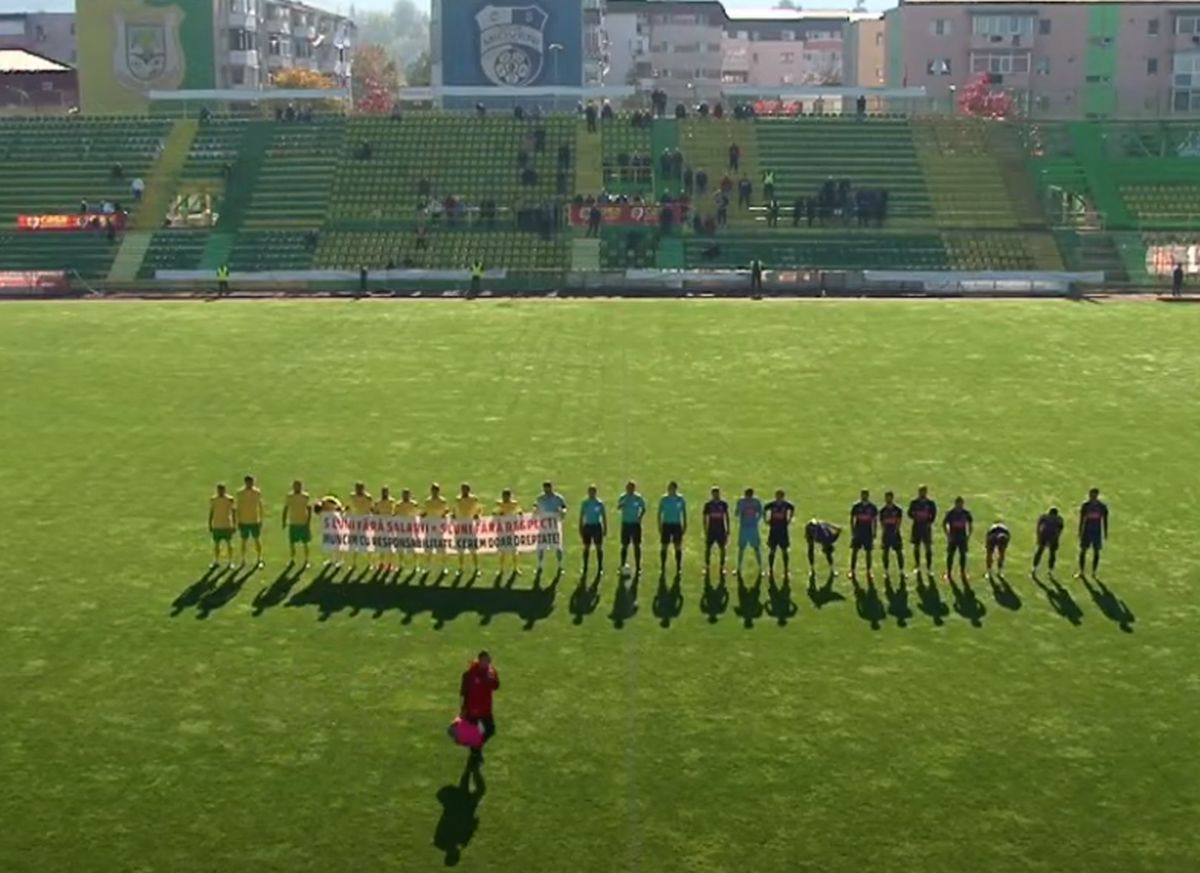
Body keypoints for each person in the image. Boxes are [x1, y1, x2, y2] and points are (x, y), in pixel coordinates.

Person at [460, 651, 500, 764]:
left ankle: (476, 747)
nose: (488, 663)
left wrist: (492, 679)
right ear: (479, 660)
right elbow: (464, 692)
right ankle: (475, 751)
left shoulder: (491, 672)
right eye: (485, 660)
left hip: (485, 708)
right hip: (472, 709)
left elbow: (496, 686)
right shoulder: (470, 674)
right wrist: (463, 708)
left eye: (489, 661)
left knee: (490, 730)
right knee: (473, 733)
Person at [534, 480, 568, 576]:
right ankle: (540, 565)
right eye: (545, 489)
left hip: (554, 525)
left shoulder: (558, 498)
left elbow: (564, 507)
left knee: (557, 546)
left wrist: (563, 512)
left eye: (548, 488)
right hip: (543, 526)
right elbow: (535, 506)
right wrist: (535, 511)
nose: (546, 490)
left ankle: (560, 565)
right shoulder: (540, 498)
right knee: (541, 546)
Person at [657, 481, 687, 578]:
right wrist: (659, 525)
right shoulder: (664, 499)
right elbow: (659, 513)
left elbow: (684, 512)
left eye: (672, 488)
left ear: (675, 489)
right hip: (666, 524)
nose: (670, 490)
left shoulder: (680, 499)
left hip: (676, 525)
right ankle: (662, 567)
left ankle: (678, 568)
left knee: (677, 546)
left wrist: (685, 524)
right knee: (664, 546)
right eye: (669, 488)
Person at [1077, 487, 1109, 577]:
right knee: (1083, 551)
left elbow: (1105, 520)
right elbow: (1081, 519)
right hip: (1086, 531)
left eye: (1094, 495)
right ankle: (1081, 571)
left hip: (1096, 532)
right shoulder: (1085, 506)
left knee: (1096, 552)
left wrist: (1105, 532)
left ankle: (1094, 572)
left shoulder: (1102, 507)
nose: (1092, 497)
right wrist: (1080, 530)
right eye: (1091, 495)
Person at [764, 489, 795, 580]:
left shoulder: (786, 504)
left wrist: (789, 519)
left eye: (780, 496)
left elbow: (792, 508)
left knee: (784, 551)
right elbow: (764, 509)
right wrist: (766, 520)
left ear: (783, 497)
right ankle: (771, 570)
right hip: (774, 530)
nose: (778, 498)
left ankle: (786, 570)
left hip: (783, 530)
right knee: (772, 550)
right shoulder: (772, 504)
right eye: (777, 496)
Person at [617, 480, 646, 575]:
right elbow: (618, 507)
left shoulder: (638, 498)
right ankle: (622, 565)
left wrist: (639, 517)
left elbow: (643, 508)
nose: (630, 490)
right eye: (629, 488)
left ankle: (638, 567)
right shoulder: (623, 497)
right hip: (626, 524)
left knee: (637, 545)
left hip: (635, 524)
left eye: (632, 488)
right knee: (624, 545)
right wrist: (623, 503)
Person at [453, 483, 483, 576]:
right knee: (460, 550)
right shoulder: (458, 499)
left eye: (465, 489)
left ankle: (476, 568)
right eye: (462, 489)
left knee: (473, 549)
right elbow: (454, 511)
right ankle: (461, 568)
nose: (464, 491)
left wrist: (478, 516)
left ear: (468, 490)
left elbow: (479, 509)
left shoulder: (473, 499)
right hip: (460, 527)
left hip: (470, 527)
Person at [282, 479, 312, 569]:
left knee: (305, 543)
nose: (297, 488)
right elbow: (286, 509)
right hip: (293, 522)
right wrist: (284, 521)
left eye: (298, 486)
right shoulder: (289, 496)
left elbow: (309, 509)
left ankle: (306, 560)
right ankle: (292, 559)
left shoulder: (305, 496)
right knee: (292, 543)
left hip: (303, 522)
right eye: (295, 486)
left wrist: (308, 522)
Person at [236, 475, 265, 569]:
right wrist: (238, 520)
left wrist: (261, 519)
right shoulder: (240, 493)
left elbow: (260, 506)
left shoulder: (257, 492)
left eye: (251, 482)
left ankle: (259, 558)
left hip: (254, 520)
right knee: (244, 541)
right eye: (249, 482)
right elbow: (238, 507)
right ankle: (243, 559)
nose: (250, 484)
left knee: (257, 540)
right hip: (244, 521)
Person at [907, 485, 937, 575]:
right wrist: (915, 516)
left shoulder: (930, 503)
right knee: (916, 546)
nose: (922, 493)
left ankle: (929, 568)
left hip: (926, 527)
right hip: (916, 527)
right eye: (921, 491)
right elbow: (909, 513)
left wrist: (929, 522)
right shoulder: (914, 503)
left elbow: (934, 514)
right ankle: (917, 566)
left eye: (924, 491)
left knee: (928, 547)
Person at [849, 489, 878, 580]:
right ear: (861, 495)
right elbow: (852, 519)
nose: (864, 497)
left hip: (868, 532)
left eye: (865, 495)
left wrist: (874, 531)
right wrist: (853, 530)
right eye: (863, 495)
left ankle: (869, 571)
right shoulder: (856, 506)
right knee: (855, 551)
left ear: (868, 496)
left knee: (868, 552)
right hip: (858, 531)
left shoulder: (872, 507)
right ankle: (852, 571)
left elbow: (875, 520)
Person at [422, 483, 451, 575]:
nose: (435, 492)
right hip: (430, 528)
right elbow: (425, 513)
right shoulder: (427, 501)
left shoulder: (443, 501)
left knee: (441, 549)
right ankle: (427, 567)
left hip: (439, 528)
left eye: (436, 490)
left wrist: (445, 519)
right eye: (433, 490)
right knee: (429, 549)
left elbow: (446, 512)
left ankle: (444, 567)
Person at [734, 487, 764, 576]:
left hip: (750, 528)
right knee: (742, 548)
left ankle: (760, 568)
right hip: (745, 527)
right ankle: (739, 568)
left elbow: (760, 512)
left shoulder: (755, 502)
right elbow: (736, 513)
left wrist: (756, 520)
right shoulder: (742, 502)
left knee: (756, 548)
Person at [943, 496, 973, 583]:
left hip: (962, 537)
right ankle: (949, 573)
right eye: (958, 504)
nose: (960, 505)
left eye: (961, 504)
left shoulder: (966, 513)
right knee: (950, 555)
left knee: (963, 555)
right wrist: (948, 535)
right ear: (955, 504)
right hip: (953, 537)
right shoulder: (950, 513)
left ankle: (962, 573)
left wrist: (968, 535)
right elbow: (944, 524)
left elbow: (970, 524)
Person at [579, 484, 607, 578]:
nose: (591, 494)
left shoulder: (599, 503)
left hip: (596, 526)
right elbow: (581, 516)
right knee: (586, 547)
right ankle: (585, 567)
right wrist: (580, 527)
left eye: (593, 492)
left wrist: (605, 528)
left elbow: (603, 516)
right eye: (590, 492)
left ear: (595, 493)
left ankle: (600, 567)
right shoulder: (585, 503)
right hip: (587, 526)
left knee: (599, 547)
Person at [702, 486, 730, 577]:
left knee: (722, 549)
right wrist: (705, 529)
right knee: (708, 549)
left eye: (717, 493)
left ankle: (722, 567)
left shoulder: (723, 504)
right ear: (712, 494)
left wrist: (728, 529)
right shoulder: (708, 505)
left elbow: (727, 516)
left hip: (721, 530)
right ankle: (707, 566)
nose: (715, 495)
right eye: (714, 493)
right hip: (711, 530)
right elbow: (704, 517)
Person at [345, 482, 374, 570]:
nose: (358, 490)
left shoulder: (368, 498)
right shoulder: (352, 496)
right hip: (354, 522)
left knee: (367, 542)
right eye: (357, 488)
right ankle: (353, 563)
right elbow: (348, 507)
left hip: (364, 522)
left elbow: (371, 509)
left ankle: (369, 563)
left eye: (360, 488)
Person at [494, 489, 523, 577]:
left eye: (506, 496)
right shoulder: (499, 504)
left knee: (514, 551)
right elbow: (494, 515)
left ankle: (516, 568)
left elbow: (520, 512)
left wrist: (519, 518)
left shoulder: (514, 504)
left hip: (511, 532)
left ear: (509, 496)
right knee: (502, 552)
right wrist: (499, 515)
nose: (505, 498)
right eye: (504, 496)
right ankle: (501, 569)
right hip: (502, 532)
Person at [208, 483, 237, 569]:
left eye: (222, 490)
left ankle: (230, 562)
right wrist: (210, 524)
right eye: (219, 490)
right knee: (216, 545)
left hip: (227, 525)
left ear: (224, 490)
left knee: (229, 544)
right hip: (217, 525)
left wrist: (234, 524)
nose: (220, 491)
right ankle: (216, 561)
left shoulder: (230, 499)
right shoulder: (213, 500)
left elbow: (233, 512)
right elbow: (211, 512)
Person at [393, 487, 421, 572]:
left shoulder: (414, 504)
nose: (405, 496)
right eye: (404, 494)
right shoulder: (398, 505)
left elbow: (416, 516)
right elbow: (395, 515)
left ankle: (416, 565)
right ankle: (401, 564)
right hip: (401, 529)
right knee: (400, 548)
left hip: (410, 529)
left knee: (413, 548)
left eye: (407, 494)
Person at [879, 491, 904, 577]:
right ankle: (886, 571)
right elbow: (881, 522)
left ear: (892, 498)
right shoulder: (882, 510)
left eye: (889, 497)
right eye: (887, 498)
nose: (888, 499)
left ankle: (901, 571)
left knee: (899, 552)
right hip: (886, 534)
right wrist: (884, 530)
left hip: (895, 533)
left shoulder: (897, 510)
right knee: (885, 553)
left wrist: (896, 530)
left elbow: (899, 521)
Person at [1032, 506, 1064, 576]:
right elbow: (1060, 530)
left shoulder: (1045, 517)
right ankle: (1049, 570)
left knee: (1041, 551)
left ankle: (1035, 568)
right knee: (1050, 553)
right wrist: (1057, 538)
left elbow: (1038, 525)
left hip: (1045, 535)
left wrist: (1038, 535)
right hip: (1051, 536)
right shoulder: (1059, 519)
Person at [374, 487, 398, 571]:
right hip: (381, 525)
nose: (385, 494)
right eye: (383, 492)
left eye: (386, 492)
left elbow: (394, 513)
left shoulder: (391, 501)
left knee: (389, 545)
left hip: (389, 526)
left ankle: (390, 564)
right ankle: (381, 563)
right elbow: (376, 513)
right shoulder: (378, 502)